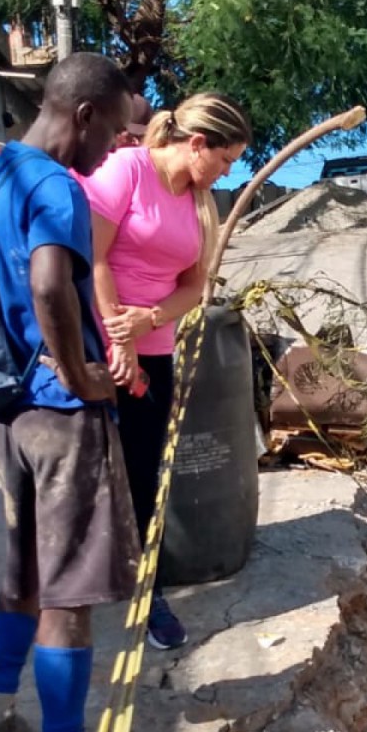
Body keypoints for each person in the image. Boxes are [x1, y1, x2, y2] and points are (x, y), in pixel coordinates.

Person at [0, 52, 141, 732]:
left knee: (22, 575)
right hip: (56, 413)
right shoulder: (55, 187)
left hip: (0, 407)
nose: (112, 149)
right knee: (69, 594)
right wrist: (76, 373)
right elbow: (46, 283)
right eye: (112, 130)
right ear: (83, 114)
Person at [84, 91, 251, 651]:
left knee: (144, 477)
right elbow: (94, 256)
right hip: (97, 346)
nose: (227, 171)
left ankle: (145, 590)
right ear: (197, 143)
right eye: (225, 159)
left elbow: (193, 286)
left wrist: (150, 320)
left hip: (153, 353)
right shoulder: (128, 171)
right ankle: (72, 591)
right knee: (82, 473)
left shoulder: (200, 202)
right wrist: (117, 334)